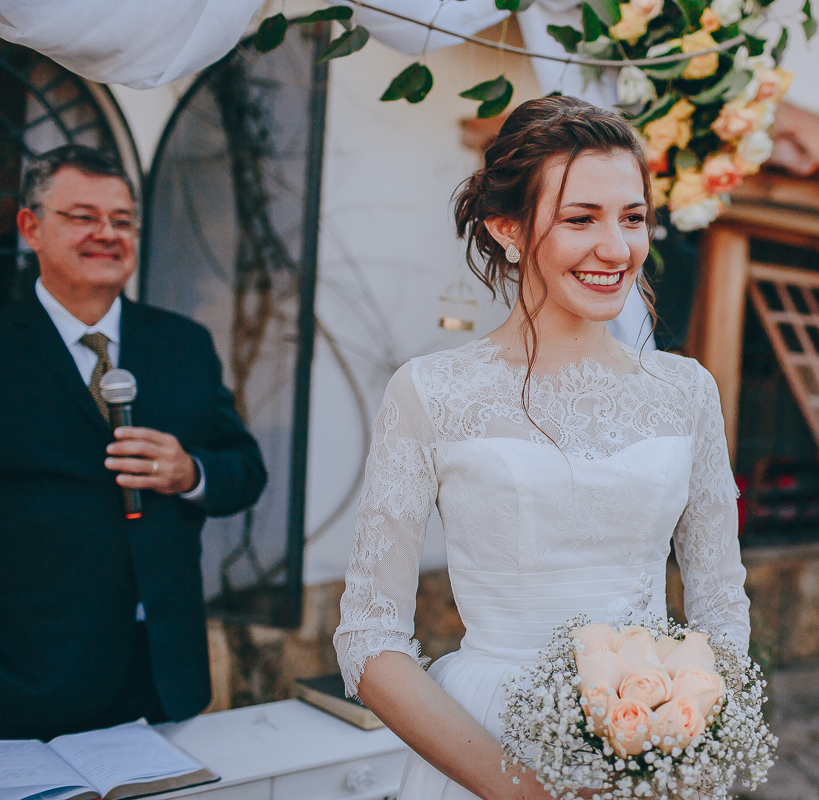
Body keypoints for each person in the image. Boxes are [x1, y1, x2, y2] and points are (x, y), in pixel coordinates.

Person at [332, 96, 750, 800]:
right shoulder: (431, 393)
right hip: (483, 741)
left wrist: (686, 736)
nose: (616, 248)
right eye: (581, 218)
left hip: (645, 743)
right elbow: (368, 641)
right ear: (508, 229)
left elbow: (719, 606)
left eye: (633, 217)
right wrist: (520, 789)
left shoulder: (686, 391)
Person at [0, 145, 267, 740]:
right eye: (83, 216)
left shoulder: (182, 343)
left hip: (162, 674)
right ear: (30, 227)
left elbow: (245, 470)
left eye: (122, 221)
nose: (107, 233)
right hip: (28, 679)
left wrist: (190, 472)